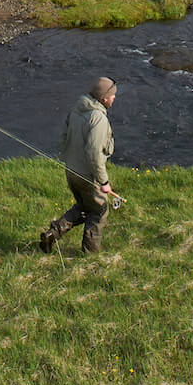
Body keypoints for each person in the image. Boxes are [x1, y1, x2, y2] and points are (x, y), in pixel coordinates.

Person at [39, 76, 118, 253]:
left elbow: (63, 139)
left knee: (84, 207)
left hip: (71, 172)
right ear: (104, 98)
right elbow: (94, 153)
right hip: (88, 177)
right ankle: (90, 254)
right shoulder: (98, 119)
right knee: (99, 212)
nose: (114, 98)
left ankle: (52, 234)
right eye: (113, 95)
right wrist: (103, 182)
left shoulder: (76, 110)